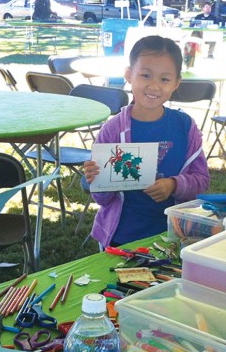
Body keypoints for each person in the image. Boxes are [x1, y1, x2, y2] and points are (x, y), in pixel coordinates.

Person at [83, 35, 210, 248]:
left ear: (177, 83)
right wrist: (96, 179)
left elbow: (201, 181)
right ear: (128, 75)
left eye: (164, 79)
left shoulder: (185, 126)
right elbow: (102, 199)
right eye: (145, 75)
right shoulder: (113, 130)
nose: (154, 86)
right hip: (120, 236)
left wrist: (174, 184)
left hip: (172, 235)